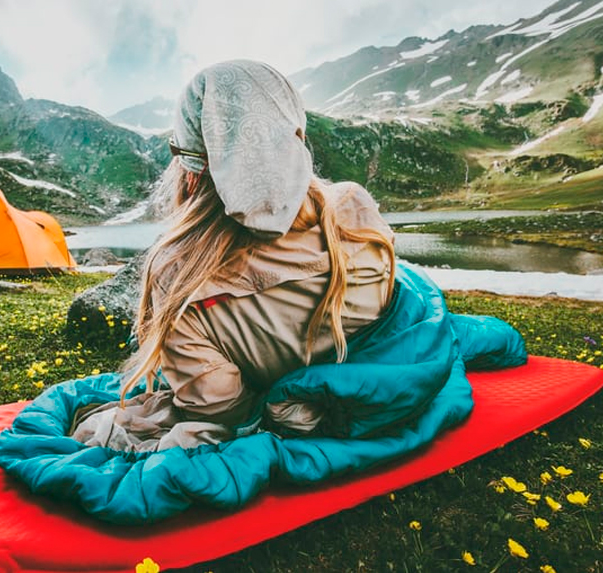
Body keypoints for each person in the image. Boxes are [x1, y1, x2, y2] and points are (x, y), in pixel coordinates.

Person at [69, 59, 396, 451]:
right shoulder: (355, 207)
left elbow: (220, 408)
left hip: (275, 418)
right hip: (373, 394)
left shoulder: (177, 278)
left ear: (194, 164)